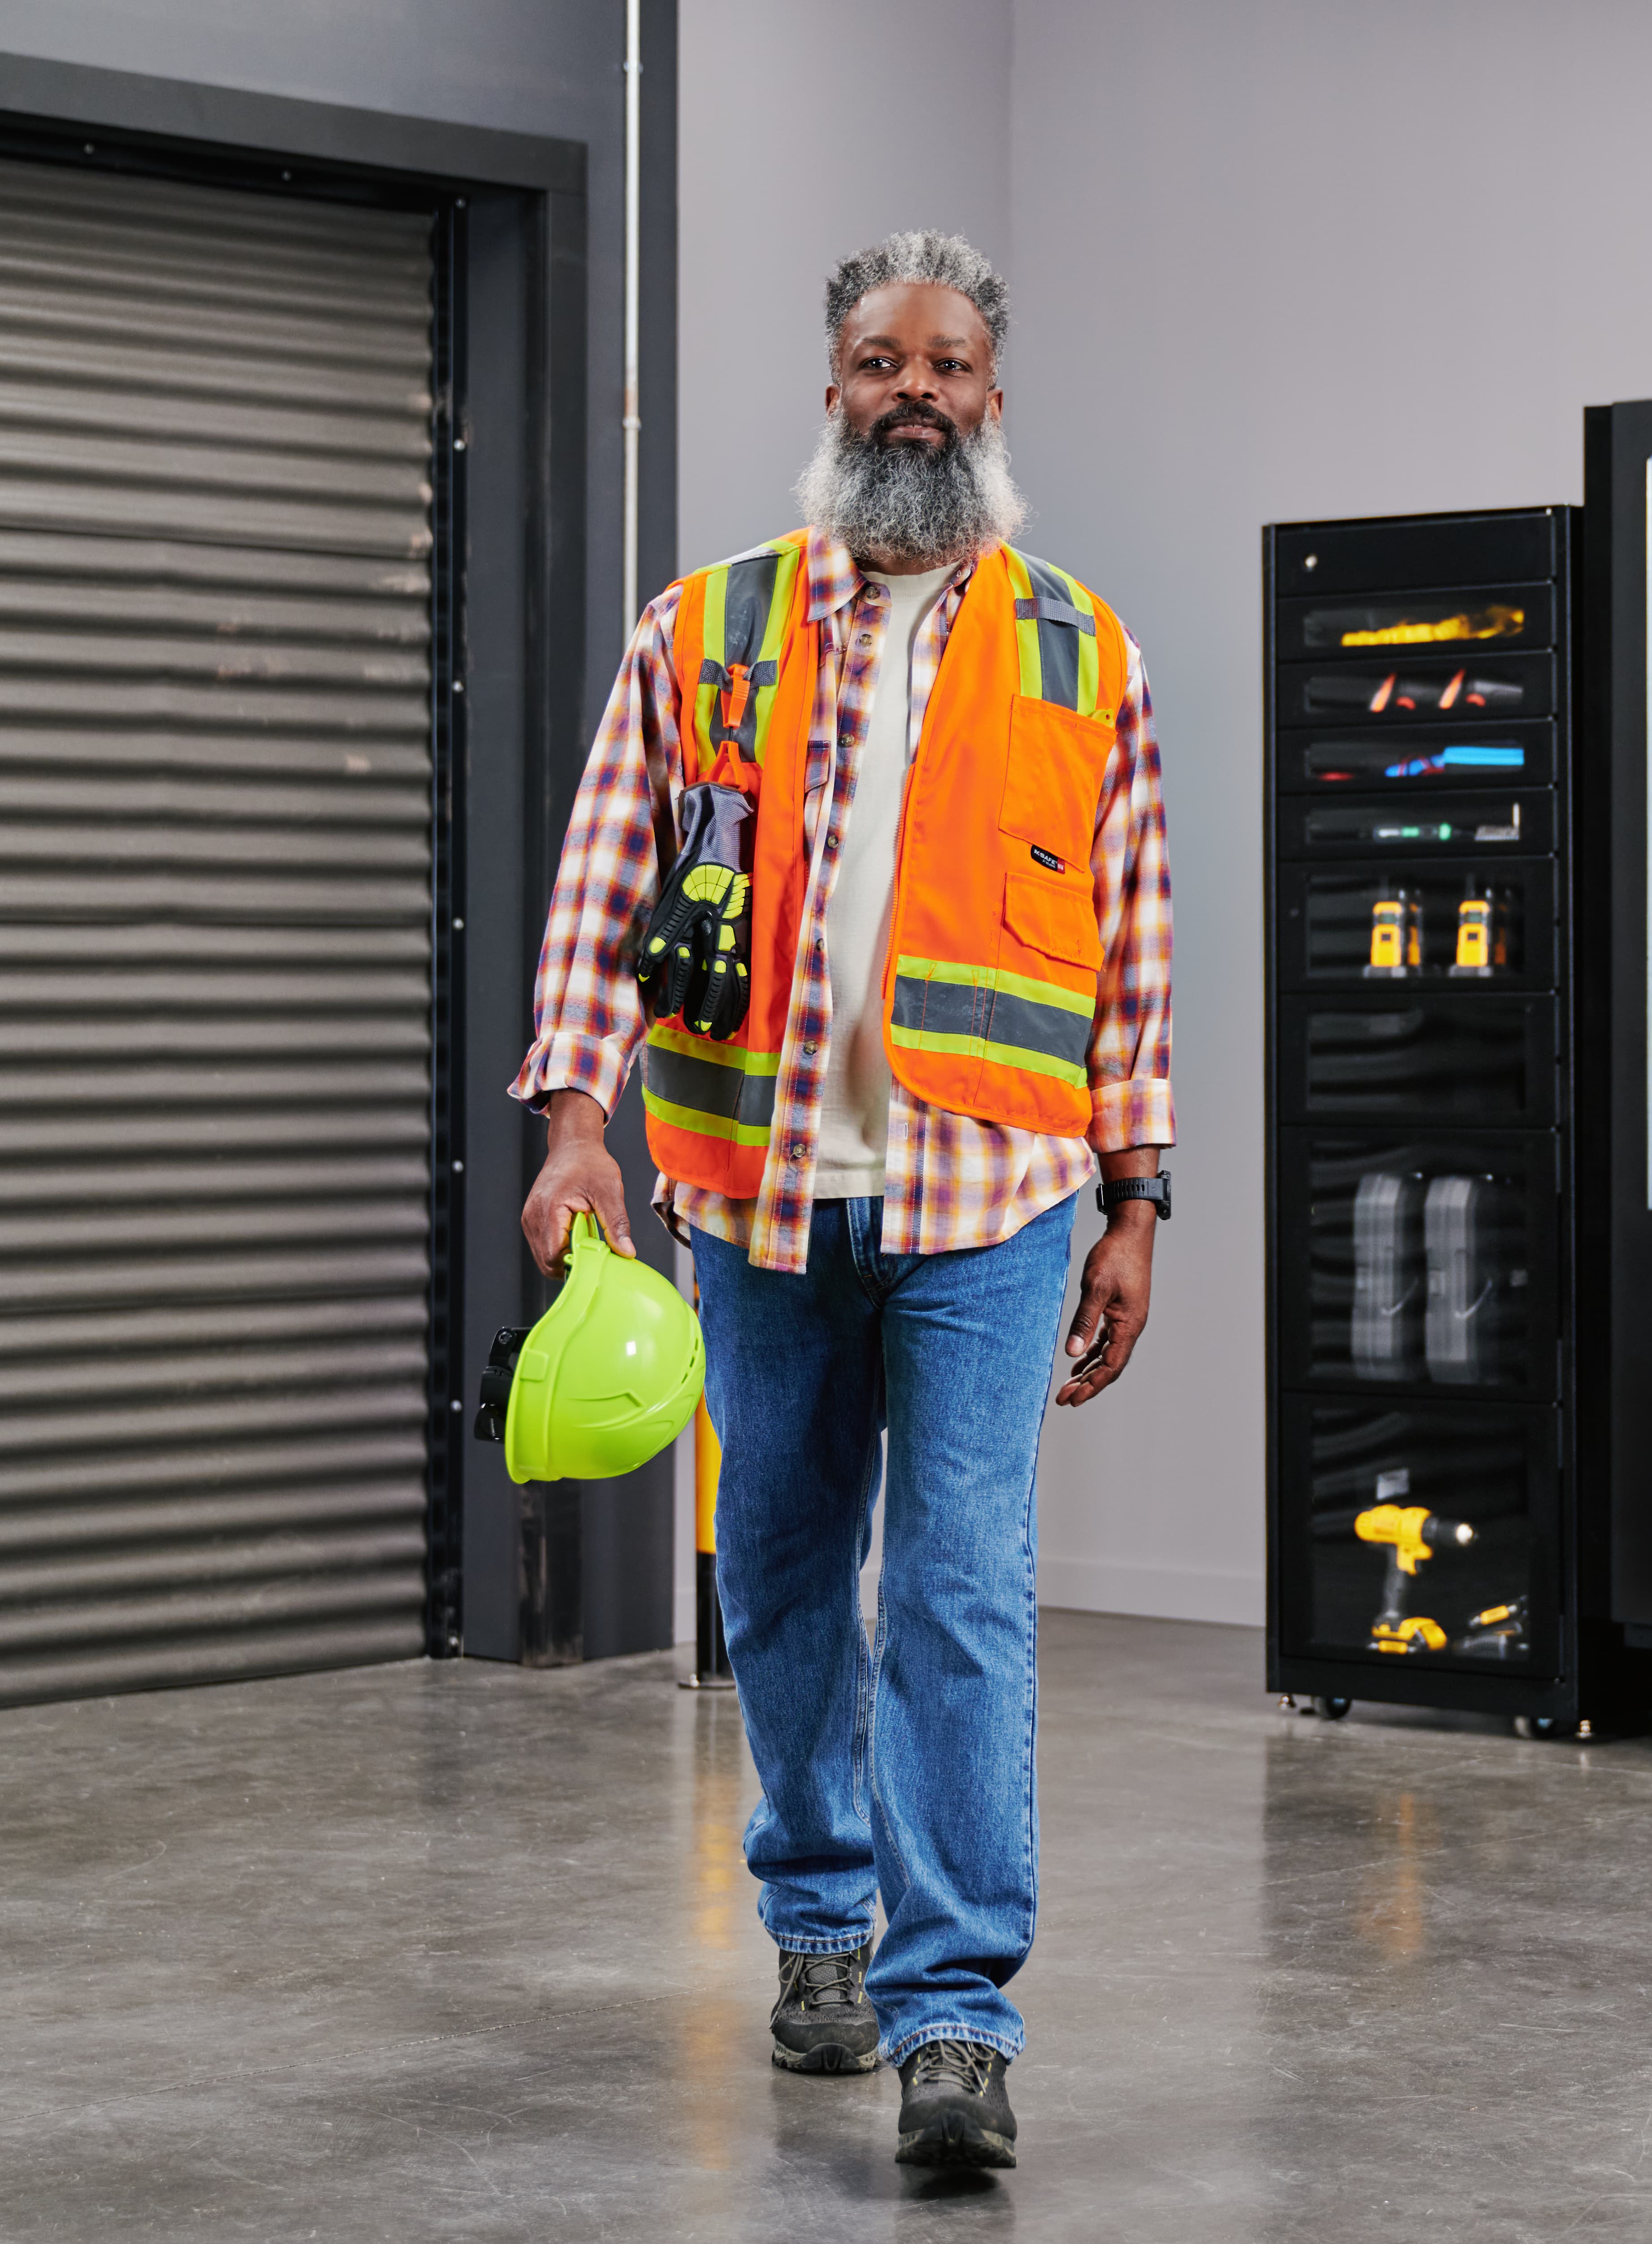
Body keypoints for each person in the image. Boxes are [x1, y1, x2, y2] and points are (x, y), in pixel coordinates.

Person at [507, 230, 1171, 2172]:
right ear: (832, 391)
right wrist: (573, 1125)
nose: (915, 388)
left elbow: (1131, 948)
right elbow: (595, 899)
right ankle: (818, 1917)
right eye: (882, 356)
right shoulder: (701, 629)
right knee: (782, 1573)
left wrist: (1140, 1196)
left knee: (960, 1592)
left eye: (950, 361)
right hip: (753, 1194)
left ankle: (953, 2013)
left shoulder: (1083, 649)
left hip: (998, 1198)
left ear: (991, 397)